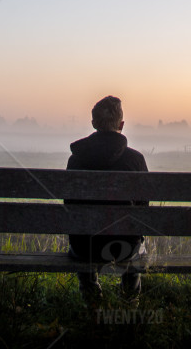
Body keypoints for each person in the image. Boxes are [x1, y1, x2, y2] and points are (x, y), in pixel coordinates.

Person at [66, 95, 148, 306]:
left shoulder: (76, 159)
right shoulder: (135, 160)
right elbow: (143, 209)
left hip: (85, 246)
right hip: (125, 246)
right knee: (136, 240)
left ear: (93, 124)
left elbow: (70, 206)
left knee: (83, 236)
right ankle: (130, 300)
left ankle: (92, 297)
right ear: (122, 124)